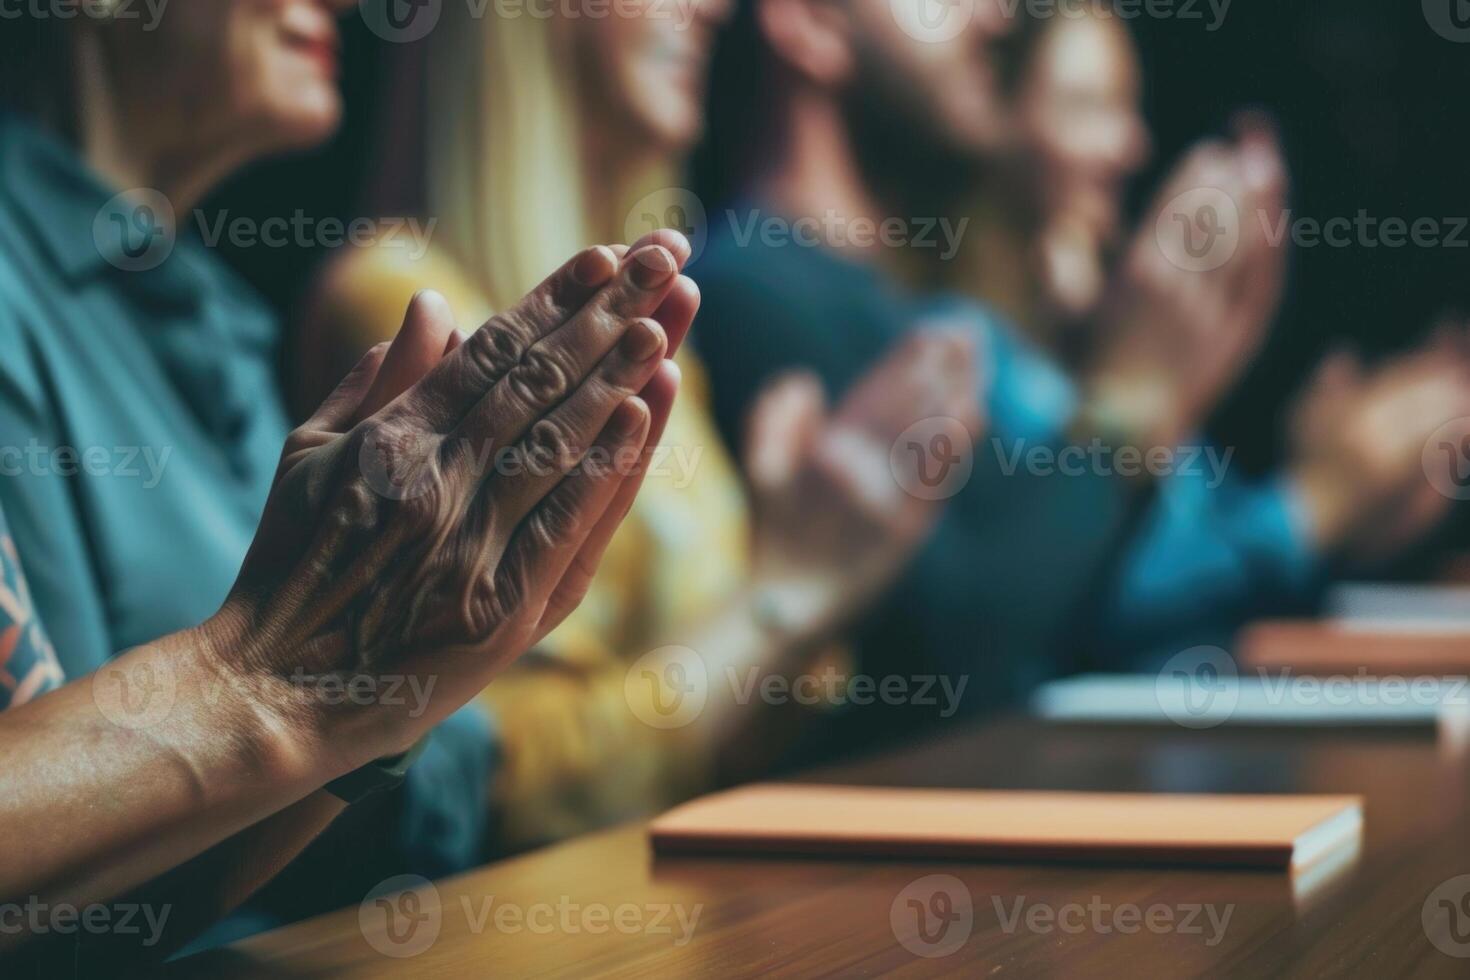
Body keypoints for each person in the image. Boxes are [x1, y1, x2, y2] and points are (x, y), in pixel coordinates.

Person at [0, 0, 696, 962]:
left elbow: (137, 863)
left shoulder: (224, 320)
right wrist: (288, 687)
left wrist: (381, 703)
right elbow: (49, 918)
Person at [301, 0, 981, 849]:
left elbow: (715, 751)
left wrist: (799, 560)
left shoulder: (656, 332)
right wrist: (785, 591)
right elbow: (500, 787)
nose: (710, 9)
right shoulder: (406, 302)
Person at [691, 0, 1470, 704]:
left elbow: (1074, 597)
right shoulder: (753, 286)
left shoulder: (901, 303)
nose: (996, 17)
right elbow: (963, 652)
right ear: (808, 21)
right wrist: (1138, 403)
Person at [953, 9, 1470, 658]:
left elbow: (1202, 557)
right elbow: (1075, 605)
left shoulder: (1098, 338)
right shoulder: (971, 356)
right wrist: (1318, 503)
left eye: (1130, 108)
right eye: (1088, 106)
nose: (1132, 144)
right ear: (991, 118)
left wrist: (1347, 489)